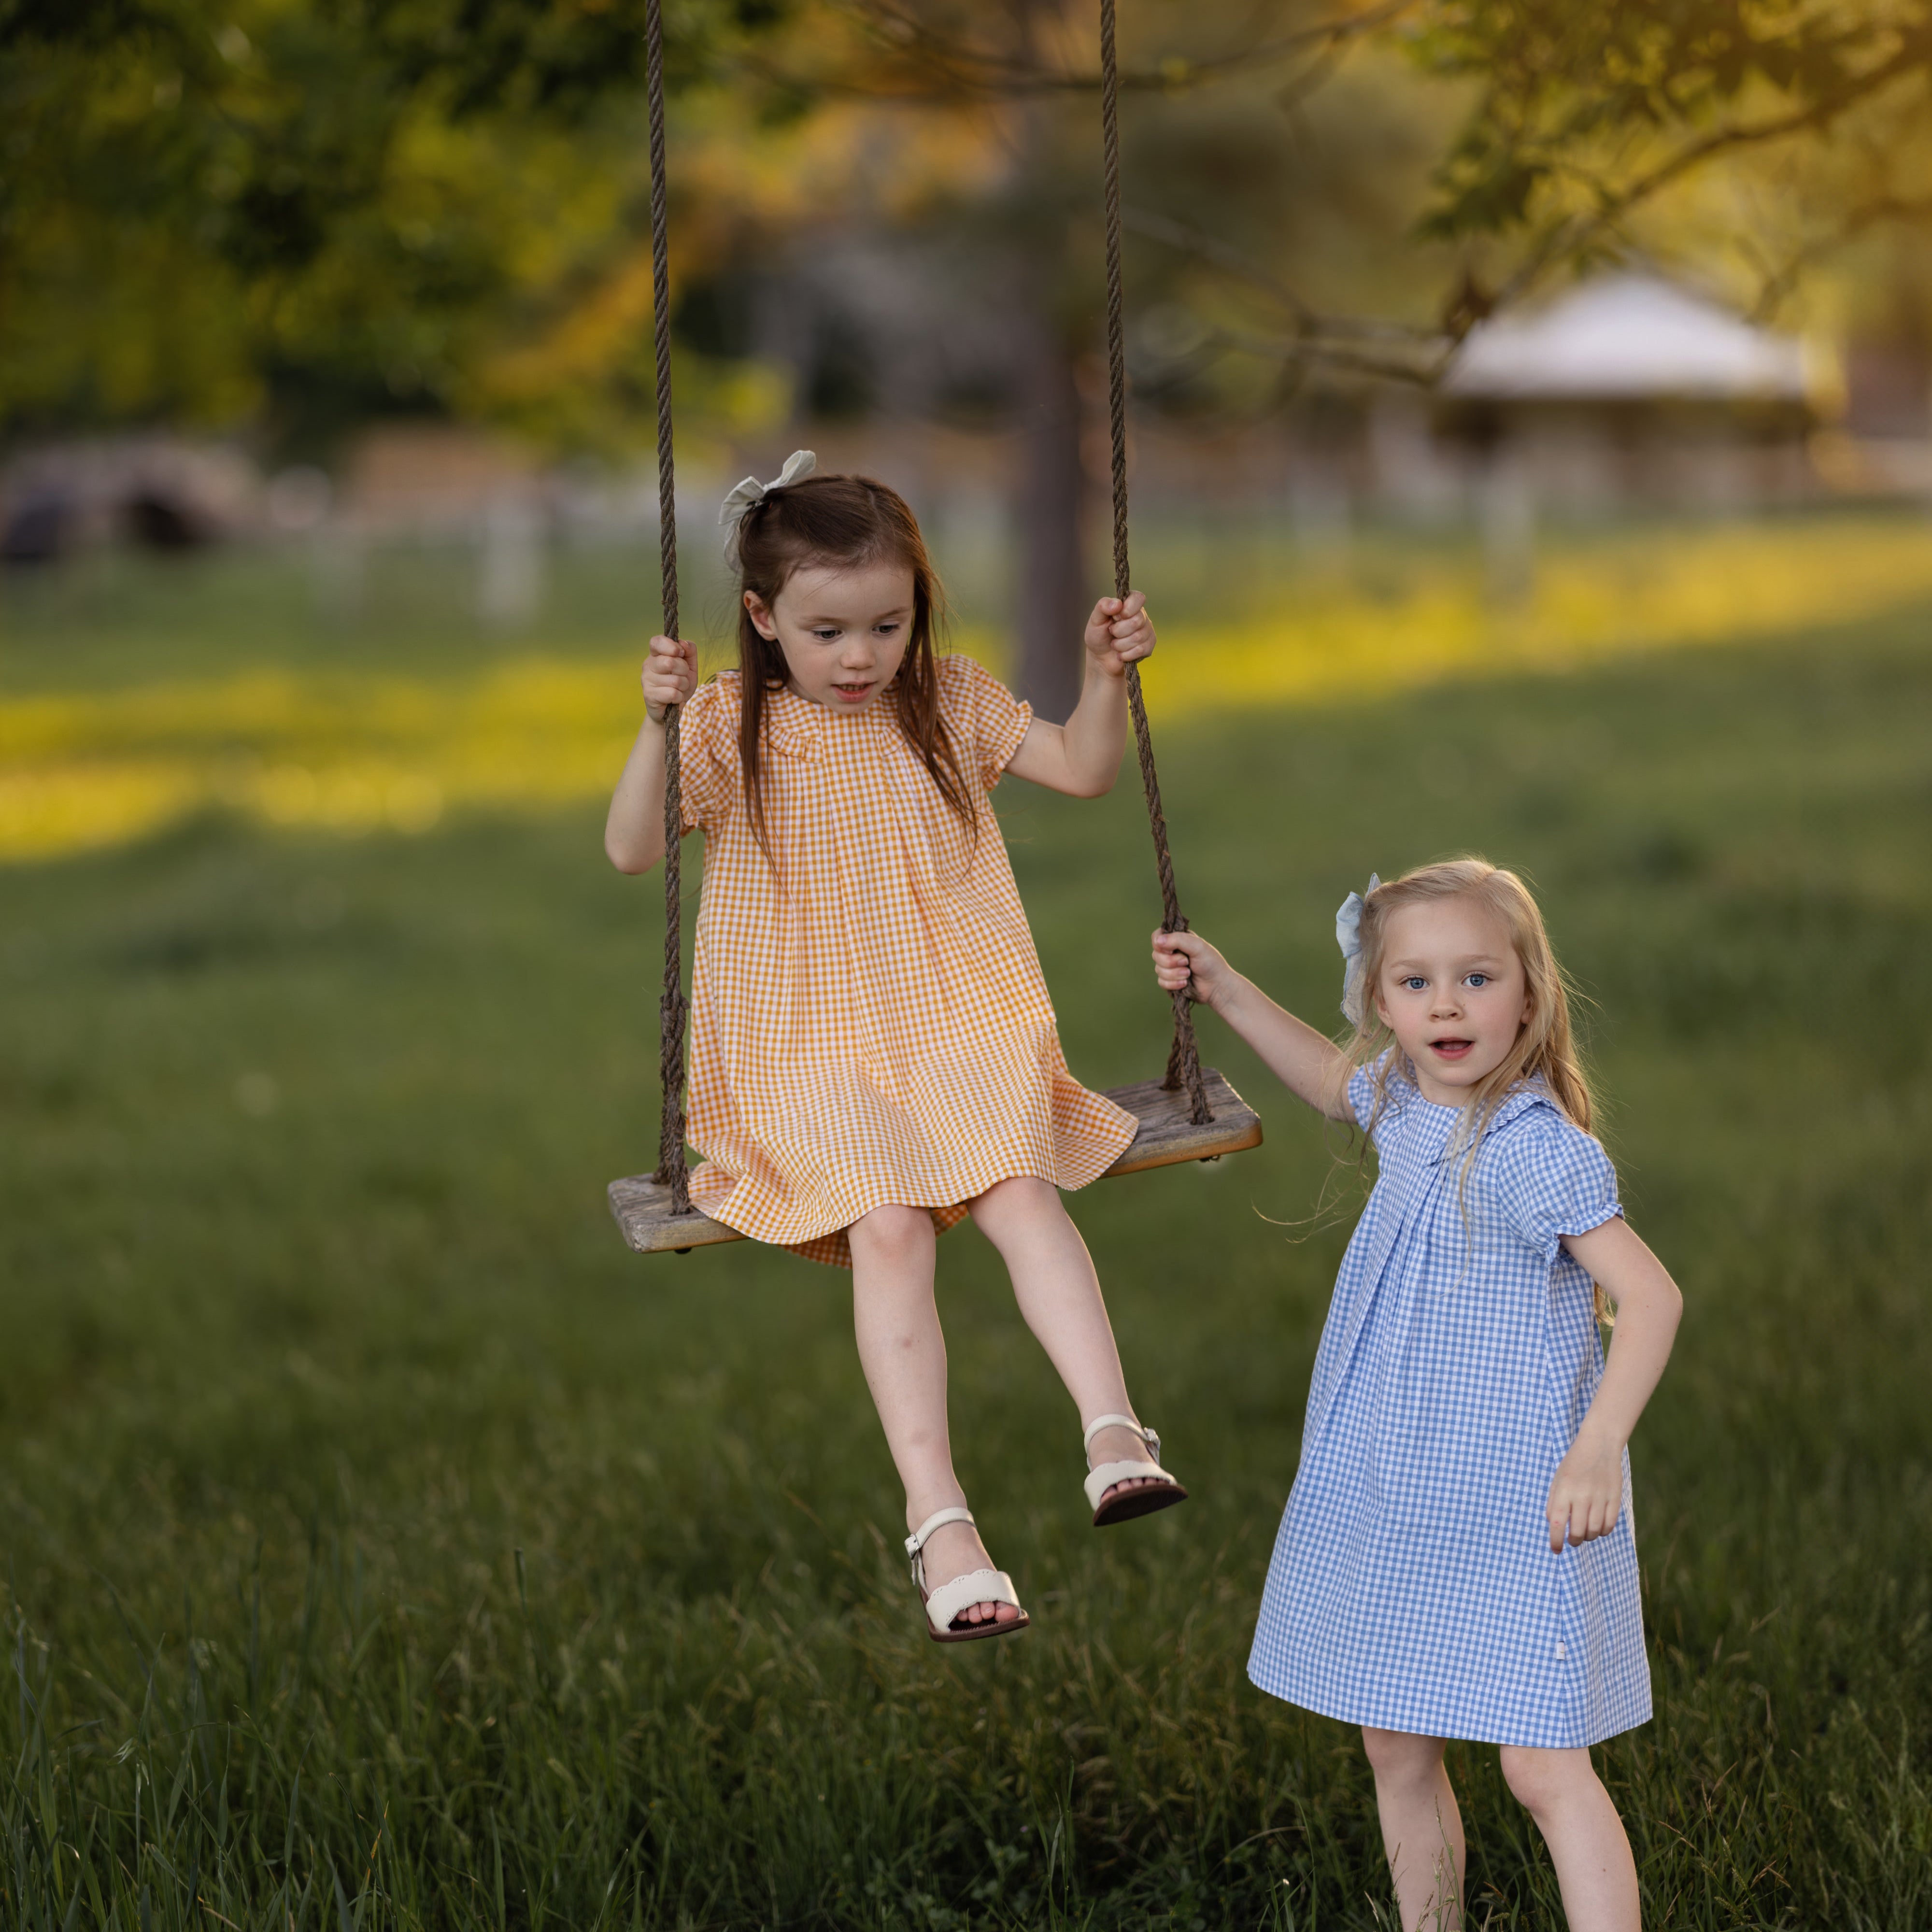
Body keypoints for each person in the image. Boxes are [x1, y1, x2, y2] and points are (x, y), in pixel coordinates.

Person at [606, 453, 1186, 1645]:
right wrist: (654, 721)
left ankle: (1114, 1431)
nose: (861, 655)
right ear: (763, 621)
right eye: (826, 631)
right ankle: (941, 1521)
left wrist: (1098, 674)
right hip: (799, 1043)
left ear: (918, 607)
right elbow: (629, 847)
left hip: (953, 1018)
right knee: (888, 1221)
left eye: (886, 623)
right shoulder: (727, 722)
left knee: (1022, 1187)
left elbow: (1079, 770)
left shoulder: (948, 702)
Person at [1152, 860, 1681, 1932]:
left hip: (1517, 1490)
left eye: (1476, 977)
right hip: (1396, 1476)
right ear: (1380, 1003)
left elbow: (1651, 1294)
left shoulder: (1536, 1149)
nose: (1445, 1003)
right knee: (1392, 1732)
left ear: (1527, 997)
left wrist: (1597, 1447)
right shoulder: (1398, 1098)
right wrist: (1223, 985)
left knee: (1538, 1759)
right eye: (1415, 982)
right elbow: (1323, 1073)